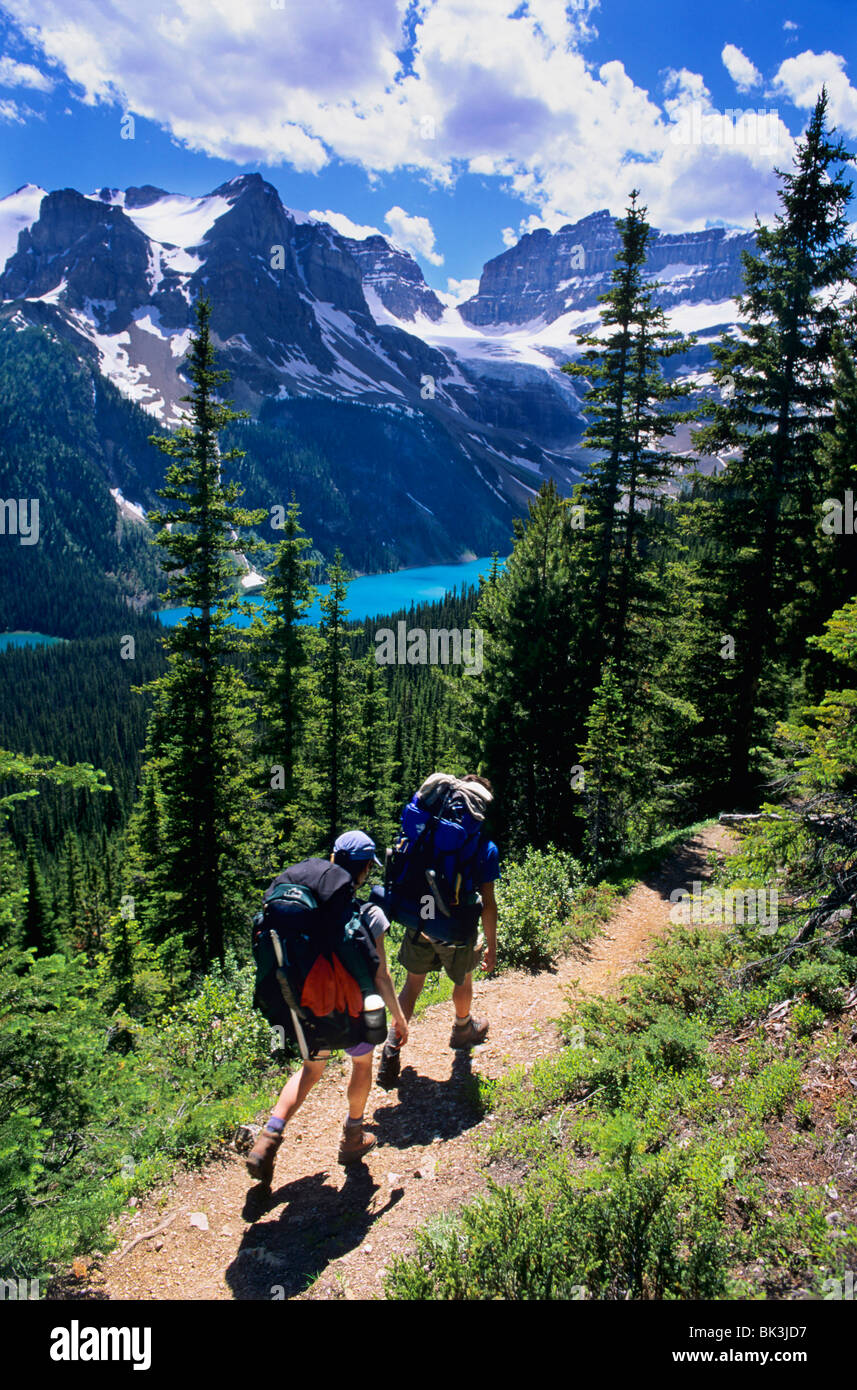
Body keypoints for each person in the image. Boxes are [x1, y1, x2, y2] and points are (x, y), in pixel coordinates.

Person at [246, 830, 409, 1184]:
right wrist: (398, 1019)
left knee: (311, 1068)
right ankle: (353, 1137)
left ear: (334, 858)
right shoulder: (365, 912)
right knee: (362, 1063)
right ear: (364, 868)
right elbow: (381, 976)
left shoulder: (309, 901)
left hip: (305, 1001)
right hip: (347, 1007)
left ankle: (270, 1134)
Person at [376, 774, 499, 1091]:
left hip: (418, 917)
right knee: (463, 978)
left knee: (412, 986)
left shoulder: (430, 833)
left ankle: (391, 1046)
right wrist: (492, 946)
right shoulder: (484, 847)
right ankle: (462, 1029)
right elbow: (488, 904)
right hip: (453, 926)